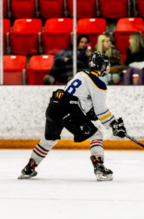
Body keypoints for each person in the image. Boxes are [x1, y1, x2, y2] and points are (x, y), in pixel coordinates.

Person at [18, 52, 127, 181]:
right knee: (96, 136)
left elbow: (76, 95)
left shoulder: (80, 74)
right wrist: (114, 124)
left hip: (54, 108)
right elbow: (101, 111)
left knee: (49, 140)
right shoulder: (99, 83)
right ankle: (99, 168)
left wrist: (87, 109)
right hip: (70, 111)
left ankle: (29, 168)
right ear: (102, 66)